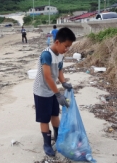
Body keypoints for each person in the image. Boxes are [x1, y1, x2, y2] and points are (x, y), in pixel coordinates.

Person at [33, 27, 76, 156]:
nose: (67, 49)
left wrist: (63, 82)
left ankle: (58, 137)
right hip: (41, 91)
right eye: (66, 46)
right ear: (57, 42)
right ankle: (47, 143)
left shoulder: (60, 54)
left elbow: (59, 70)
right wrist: (58, 94)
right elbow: (47, 77)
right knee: (44, 119)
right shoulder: (46, 54)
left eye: (69, 47)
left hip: (52, 90)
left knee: (55, 114)